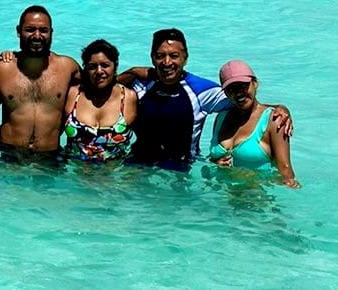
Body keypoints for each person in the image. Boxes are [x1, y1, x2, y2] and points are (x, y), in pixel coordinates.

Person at [119, 28, 291, 172]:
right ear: (152, 58)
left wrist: (280, 108)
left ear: (185, 58)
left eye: (174, 55)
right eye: (160, 56)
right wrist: (132, 72)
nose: (167, 62)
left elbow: (243, 100)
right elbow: (102, 89)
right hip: (137, 165)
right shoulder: (140, 84)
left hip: (182, 170)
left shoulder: (201, 91)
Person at [0, 5, 79, 156]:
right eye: (30, 30)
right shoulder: (2, 70)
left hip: (50, 156)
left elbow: (98, 85)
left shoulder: (68, 68)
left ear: (51, 33)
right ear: (18, 31)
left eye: (43, 30)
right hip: (9, 155)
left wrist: (130, 75)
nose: (37, 36)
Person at [207, 60, 300, 187]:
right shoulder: (221, 118)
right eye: (231, 89)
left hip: (257, 199)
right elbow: (211, 159)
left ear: (255, 83)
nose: (238, 93)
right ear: (226, 93)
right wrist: (215, 162)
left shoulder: (274, 120)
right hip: (223, 198)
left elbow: (285, 170)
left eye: (243, 86)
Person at [63, 39, 137, 162]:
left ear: (115, 67)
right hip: (76, 174)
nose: (99, 71)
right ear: (85, 68)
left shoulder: (129, 98)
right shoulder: (74, 94)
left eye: (105, 65)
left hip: (115, 175)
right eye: (92, 67)